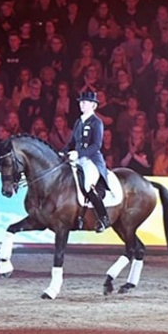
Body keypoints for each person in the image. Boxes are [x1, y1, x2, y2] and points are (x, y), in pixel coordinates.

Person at [63, 90, 111, 233]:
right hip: (77, 159)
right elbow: (71, 142)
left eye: (85, 102)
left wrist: (78, 153)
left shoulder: (97, 122)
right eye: (81, 102)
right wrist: (63, 152)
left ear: (93, 106)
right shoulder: (79, 121)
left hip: (91, 160)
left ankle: (103, 218)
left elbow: (96, 145)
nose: (81, 104)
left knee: (87, 185)